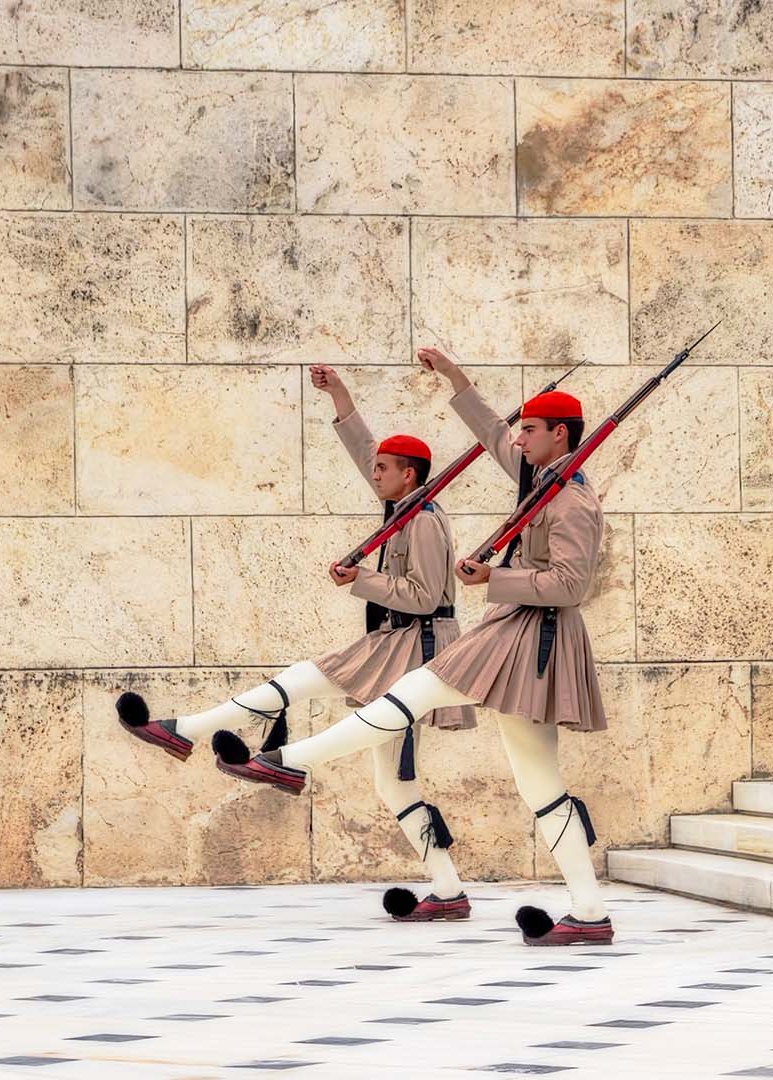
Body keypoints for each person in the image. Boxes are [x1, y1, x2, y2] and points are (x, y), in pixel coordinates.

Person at [211, 346, 614, 947]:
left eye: (529, 429)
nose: (518, 439)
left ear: (560, 434)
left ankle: (286, 761)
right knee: (539, 784)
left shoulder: (574, 501)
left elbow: (571, 584)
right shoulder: (540, 480)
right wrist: (454, 377)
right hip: (512, 632)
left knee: (414, 695)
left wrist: (491, 578)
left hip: (533, 637)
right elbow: (487, 431)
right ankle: (588, 913)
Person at [115, 364, 476, 922]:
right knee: (393, 783)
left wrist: (360, 579)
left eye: (384, 469)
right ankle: (448, 890)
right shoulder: (402, 507)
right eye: (376, 467)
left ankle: (186, 732)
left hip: (415, 645)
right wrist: (341, 398)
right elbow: (365, 453)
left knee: (306, 681)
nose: (373, 474)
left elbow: (427, 596)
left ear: (410, 475)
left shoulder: (424, 521)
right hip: (393, 641)